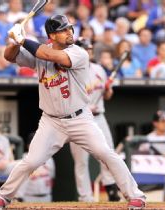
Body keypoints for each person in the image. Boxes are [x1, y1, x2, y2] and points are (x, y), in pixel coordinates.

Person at [0, 14, 146, 209]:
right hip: (51, 122)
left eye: (69, 28)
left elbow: (51, 56)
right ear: (52, 36)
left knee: (106, 153)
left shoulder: (79, 53)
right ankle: (3, 196)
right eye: (63, 30)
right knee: (30, 162)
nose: (69, 32)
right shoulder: (39, 53)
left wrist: (23, 39)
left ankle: (136, 196)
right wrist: (14, 40)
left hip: (80, 118)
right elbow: (9, 56)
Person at [69, 38, 120, 202]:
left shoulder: (99, 69)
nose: (88, 51)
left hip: (99, 117)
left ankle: (111, 187)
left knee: (108, 153)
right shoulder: (70, 71)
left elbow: (107, 96)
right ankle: (85, 197)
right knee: (81, 161)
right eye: (85, 48)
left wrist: (108, 90)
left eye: (89, 48)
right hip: (79, 118)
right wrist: (83, 107)